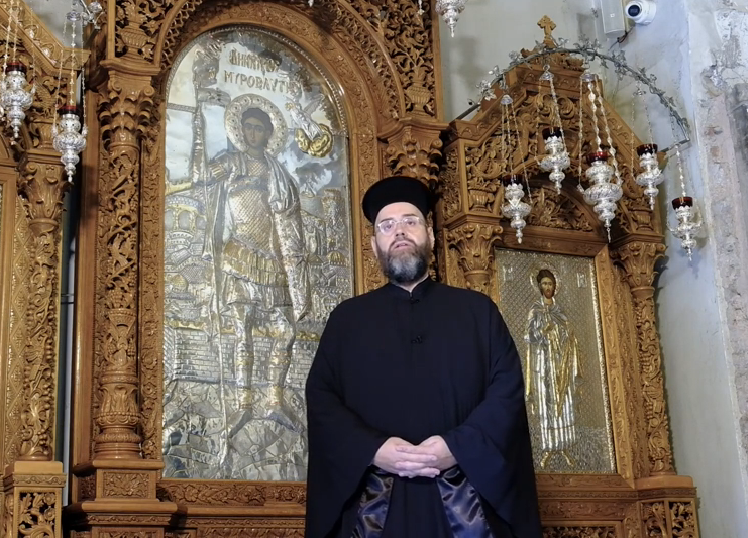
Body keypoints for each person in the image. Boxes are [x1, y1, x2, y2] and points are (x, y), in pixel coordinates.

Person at [305, 176, 541, 538]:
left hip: (467, 501)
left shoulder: (478, 312)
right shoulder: (346, 320)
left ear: (429, 235)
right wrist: (373, 449)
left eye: (410, 221)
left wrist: (457, 446)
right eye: (386, 225)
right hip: (374, 507)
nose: (399, 231)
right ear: (374, 245)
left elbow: (506, 393)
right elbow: (322, 400)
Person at [192, 102, 309, 434]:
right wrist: (198, 138)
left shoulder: (279, 173)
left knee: (286, 332)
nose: (253, 133)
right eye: (248, 127)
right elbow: (200, 177)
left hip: (272, 260)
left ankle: (274, 401)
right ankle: (243, 405)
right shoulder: (232, 162)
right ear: (240, 130)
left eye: (259, 128)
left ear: (269, 133)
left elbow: (290, 219)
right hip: (240, 255)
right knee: (242, 331)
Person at [525, 269, 580, 468]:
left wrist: (565, 333)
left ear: (555, 286)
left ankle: (564, 447)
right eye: (545, 284)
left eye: (550, 284)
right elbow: (528, 336)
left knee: (563, 403)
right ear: (539, 286)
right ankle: (548, 448)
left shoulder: (559, 311)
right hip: (543, 365)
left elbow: (569, 334)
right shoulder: (535, 310)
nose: (548, 287)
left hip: (561, 365)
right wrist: (542, 331)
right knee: (546, 403)